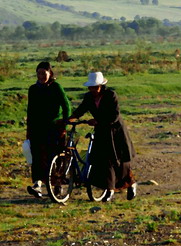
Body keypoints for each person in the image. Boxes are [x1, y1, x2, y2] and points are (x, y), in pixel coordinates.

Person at [69, 71, 137, 202]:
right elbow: (81, 110)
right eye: (91, 87)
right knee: (104, 162)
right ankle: (109, 189)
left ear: (101, 86)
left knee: (121, 161)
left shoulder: (111, 95)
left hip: (116, 132)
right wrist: (70, 119)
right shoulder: (89, 97)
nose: (93, 90)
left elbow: (114, 116)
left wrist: (98, 121)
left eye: (95, 87)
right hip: (101, 133)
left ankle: (131, 183)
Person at [26, 62, 71, 198]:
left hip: (54, 129)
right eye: (38, 73)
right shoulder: (33, 89)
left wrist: (64, 124)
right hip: (37, 129)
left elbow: (66, 106)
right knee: (37, 157)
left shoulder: (56, 87)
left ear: (50, 74)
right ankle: (37, 184)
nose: (41, 76)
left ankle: (57, 186)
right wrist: (28, 130)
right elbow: (30, 111)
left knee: (55, 157)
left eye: (43, 73)